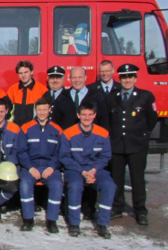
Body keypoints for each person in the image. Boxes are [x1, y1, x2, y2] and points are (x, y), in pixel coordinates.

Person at [107, 63, 157, 226]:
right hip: (117, 146)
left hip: (137, 145)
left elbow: (152, 119)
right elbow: (109, 120)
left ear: (135, 78)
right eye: (124, 77)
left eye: (130, 76)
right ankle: (118, 207)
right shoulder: (112, 97)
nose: (127, 80)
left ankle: (140, 211)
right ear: (120, 78)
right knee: (117, 179)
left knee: (137, 180)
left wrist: (141, 134)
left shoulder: (145, 96)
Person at [59, 102, 116, 239]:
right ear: (78, 115)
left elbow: (105, 156)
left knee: (109, 186)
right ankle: (74, 223)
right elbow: (65, 157)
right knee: (75, 185)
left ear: (95, 115)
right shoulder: (69, 133)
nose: (87, 117)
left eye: (90, 114)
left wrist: (94, 170)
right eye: (84, 114)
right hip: (74, 169)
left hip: (95, 170)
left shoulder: (103, 133)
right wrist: (83, 172)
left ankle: (102, 224)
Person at [17, 97, 63, 233]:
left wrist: (52, 167)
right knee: (25, 184)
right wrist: (30, 167)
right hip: (31, 166)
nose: (42, 113)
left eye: (45, 110)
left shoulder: (57, 130)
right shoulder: (26, 128)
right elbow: (21, 151)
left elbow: (60, 152)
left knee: (57, 184)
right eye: (39, 110)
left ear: (49, 110)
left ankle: (52, 220)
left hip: (50, 166)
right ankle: (28, 219)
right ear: (35, 110)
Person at [7, 61, 47, 127]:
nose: (23, 75)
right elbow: (6, 111)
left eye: (26, 72)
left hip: (34, 129)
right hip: (16, 129)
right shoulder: (12, 89)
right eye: (20, 73)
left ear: (31, 72)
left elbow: (46, 112)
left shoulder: (42, 90)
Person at [42, 66, 76, 130]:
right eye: (52, 78)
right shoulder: (45, 95)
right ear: (48, 79)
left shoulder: (69, 96)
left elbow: (70, 121)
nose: (55, 80)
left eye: (58, 78)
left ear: (63, 79)